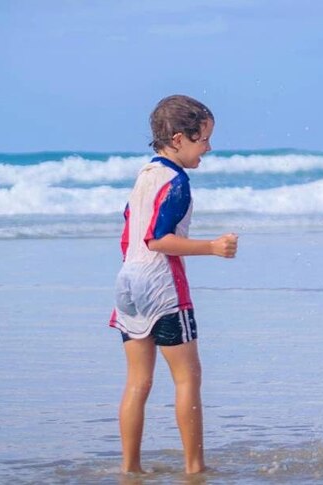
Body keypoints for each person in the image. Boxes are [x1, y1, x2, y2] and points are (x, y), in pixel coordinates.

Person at [109, 95, 238, 475]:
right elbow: (157, 239)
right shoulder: (177, 181)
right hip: (162, 284)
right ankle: (195, 467)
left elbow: (130, 232)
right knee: (188, 378)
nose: (209, 148)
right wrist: (213, 247)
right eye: (204, 140)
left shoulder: (145, 176)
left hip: (127, 282)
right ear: (179, 139)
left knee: (138, 382)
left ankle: (130, 469)